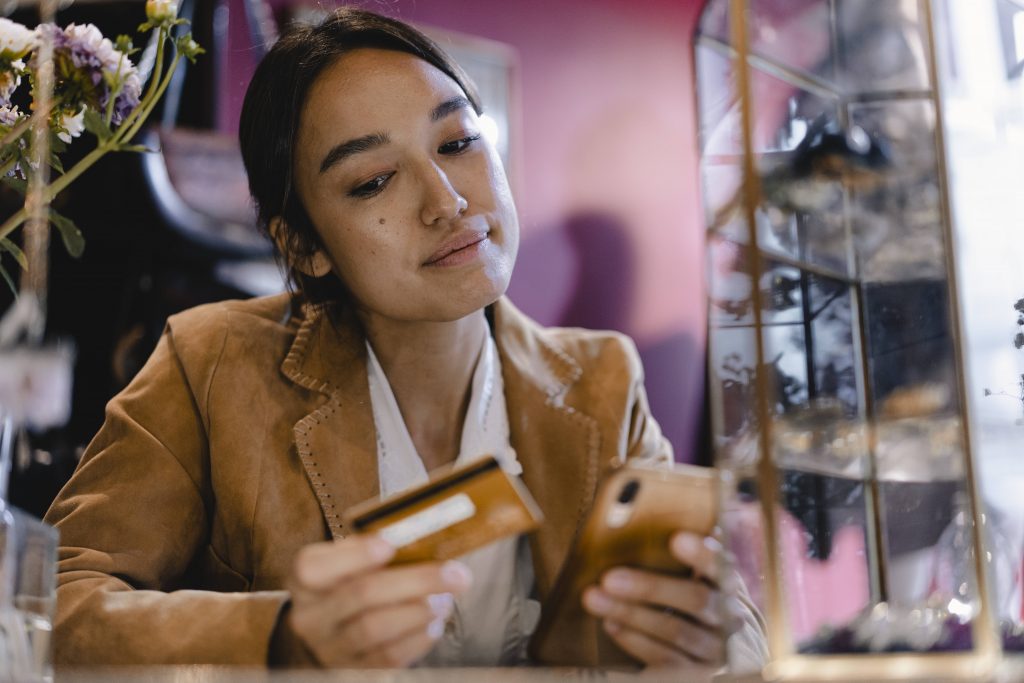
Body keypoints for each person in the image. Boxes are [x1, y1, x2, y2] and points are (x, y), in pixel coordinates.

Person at [44, 6, 767, 670]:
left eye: (457, 142)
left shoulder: (602, 377)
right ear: (304, 246)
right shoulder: (210, 363)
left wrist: (711, 636)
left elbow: (733, 620)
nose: (448, 200)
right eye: (372, 181)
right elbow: (51, 605)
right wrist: (280, 633)